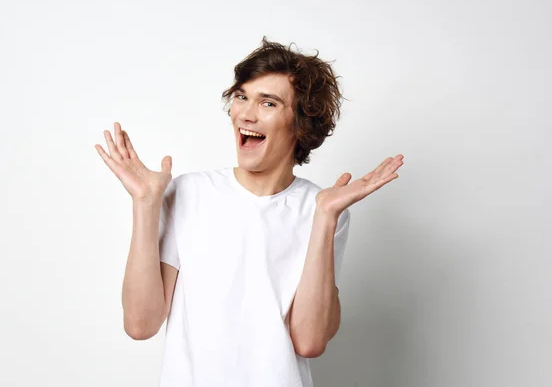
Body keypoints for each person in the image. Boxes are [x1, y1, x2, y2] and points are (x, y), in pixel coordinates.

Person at [95, 37, 404, 387]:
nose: (245, 113)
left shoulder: (323, 209)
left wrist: (326, 218)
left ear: (301, 124)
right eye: (241, 96)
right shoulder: (188, 193)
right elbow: (140, 324)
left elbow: (310, 340)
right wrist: (145, 204)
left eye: (268, 103)